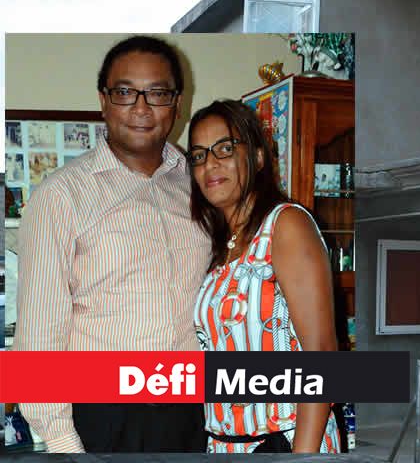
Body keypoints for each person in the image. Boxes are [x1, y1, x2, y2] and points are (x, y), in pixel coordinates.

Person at [15, 35, 209, 453]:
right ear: (103, 101)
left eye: (157, 93)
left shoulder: (197, 186)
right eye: (125, 92)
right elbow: (38, 332)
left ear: (177, 104)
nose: (141, 108)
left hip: (188, 409)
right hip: (101, 413)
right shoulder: (61, 196)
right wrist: (62, 440)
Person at [188, 99, 341, 453]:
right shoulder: (218, 247)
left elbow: (321, 353)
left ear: (258, 157)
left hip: (288, 440)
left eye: (225, 148)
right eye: (198, 155)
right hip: (225, 444)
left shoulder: (286, 225)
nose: (210, 163)